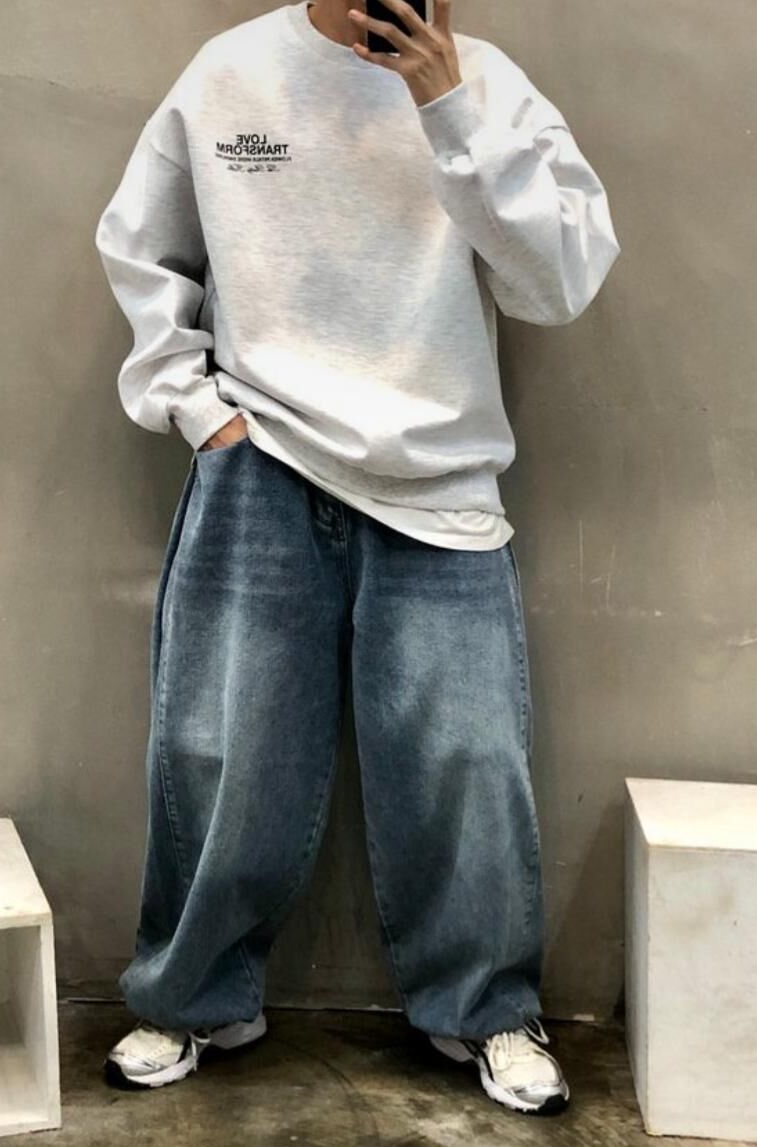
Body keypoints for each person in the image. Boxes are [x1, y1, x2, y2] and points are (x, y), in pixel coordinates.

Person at [94, 0, 620, 1116]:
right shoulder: (230, 72)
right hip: (262, 457)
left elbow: (559, 282)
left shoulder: (488, 83)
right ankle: (192, 997)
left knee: (467, 763)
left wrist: (448, 107)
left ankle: (484, 1007)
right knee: (220, 749)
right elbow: (142, 246)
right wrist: (196, 409)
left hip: (439, 475)